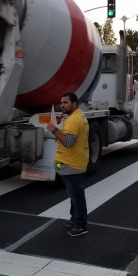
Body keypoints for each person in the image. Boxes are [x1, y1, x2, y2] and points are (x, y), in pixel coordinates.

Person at [46, 92, 90, 236]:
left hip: (73, 164)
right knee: (73, 194)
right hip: (73, 162)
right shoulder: (77, 116)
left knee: (76, 196)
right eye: (61, 102)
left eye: (65, 102)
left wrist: (54, 130)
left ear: (74, 104)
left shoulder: (73, 120)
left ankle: (81, 224)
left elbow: (68, 142)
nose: (62, 105)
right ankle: (74, 218)